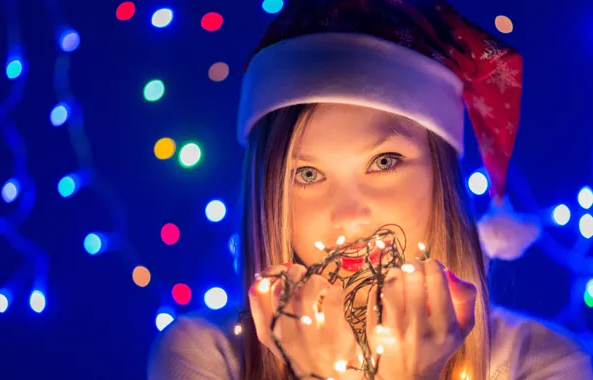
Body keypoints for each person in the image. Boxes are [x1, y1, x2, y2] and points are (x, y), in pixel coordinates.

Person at [147, 0, 593, 379]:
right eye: (307, 175)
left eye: (383, 162)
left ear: (442, 180)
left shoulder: (541, 362)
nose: (349, 214)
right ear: (268, 197)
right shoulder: (203, 355)